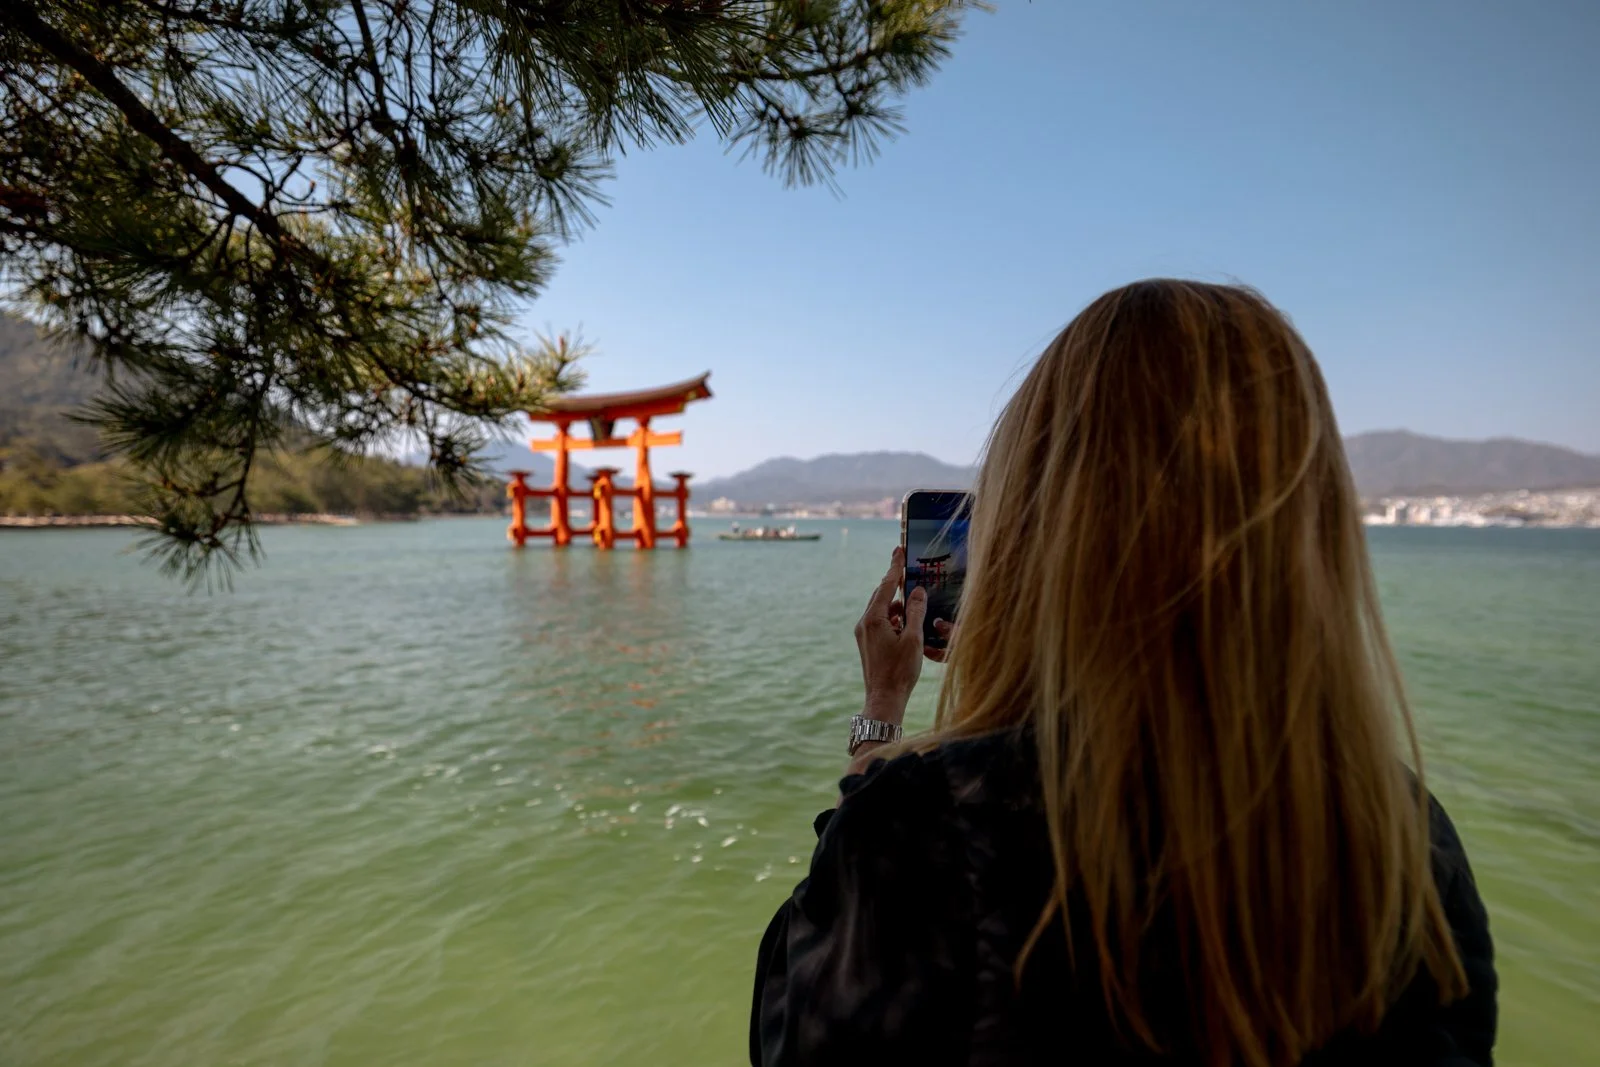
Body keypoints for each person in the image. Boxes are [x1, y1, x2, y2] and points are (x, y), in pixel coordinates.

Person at [750, 280, 1496, 1067]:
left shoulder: (928, 828)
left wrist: (882, 713)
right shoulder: (1408, 843)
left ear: (1039, 530)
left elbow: (788, 1034)